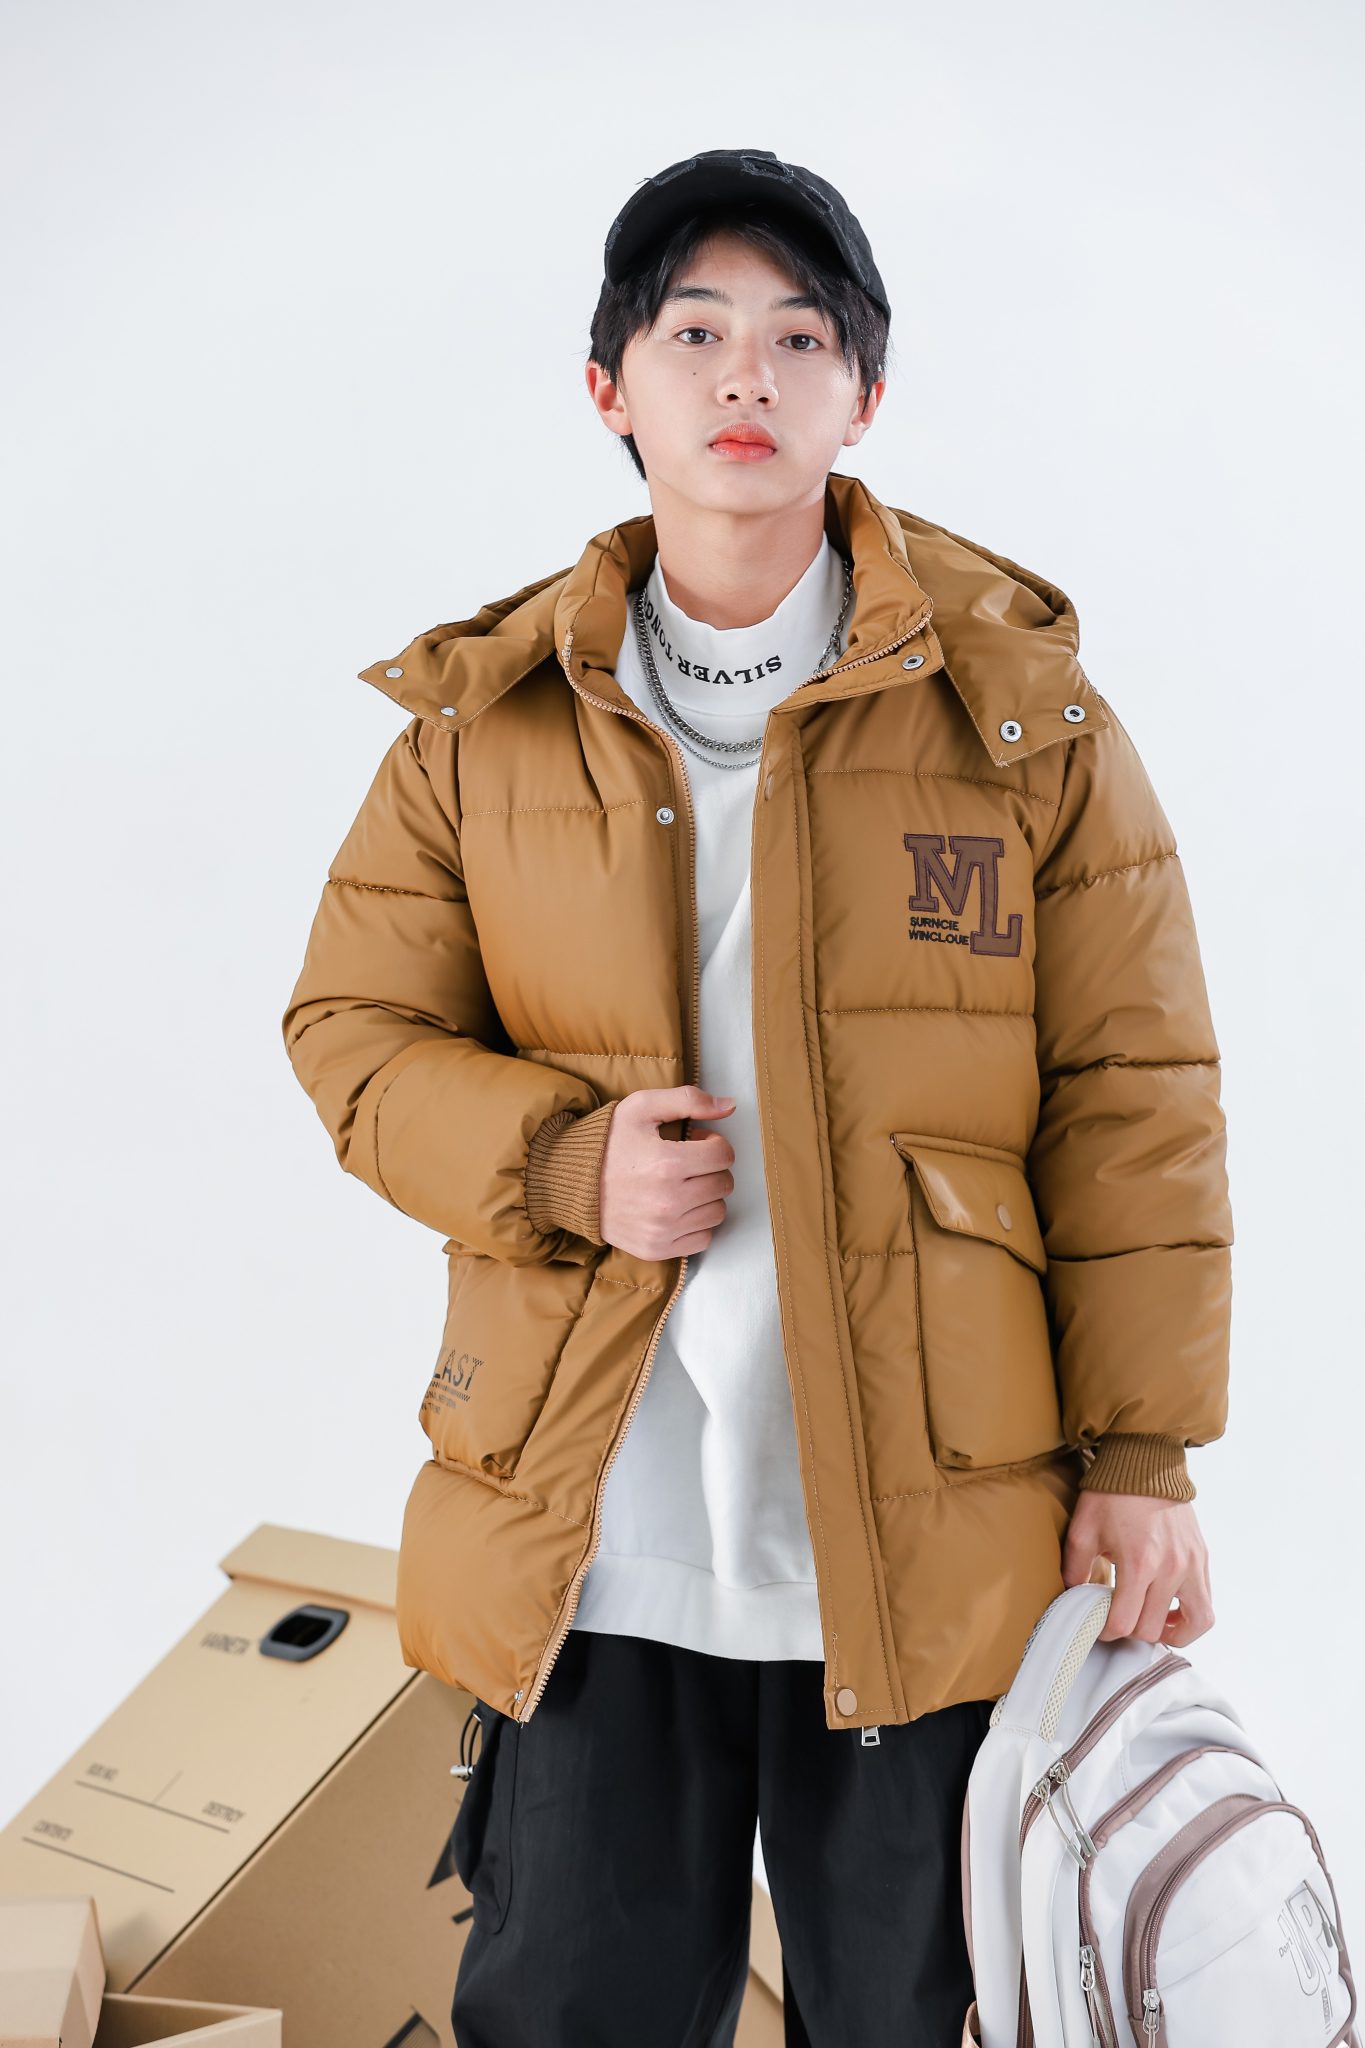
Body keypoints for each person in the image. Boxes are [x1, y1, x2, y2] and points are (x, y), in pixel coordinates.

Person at [281, 147, 1232, 2047]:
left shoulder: (1021, 721)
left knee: (920, 2019)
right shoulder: (481, 727)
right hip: (592, 1534)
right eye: (695, 332)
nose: (746, 376)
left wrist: (1139, 1459)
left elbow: (1132, 1096)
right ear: (608, 387)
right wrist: (562, 1162)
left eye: (800, 339)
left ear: (862, 395)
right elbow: (352, 1032)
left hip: (924, 1537)